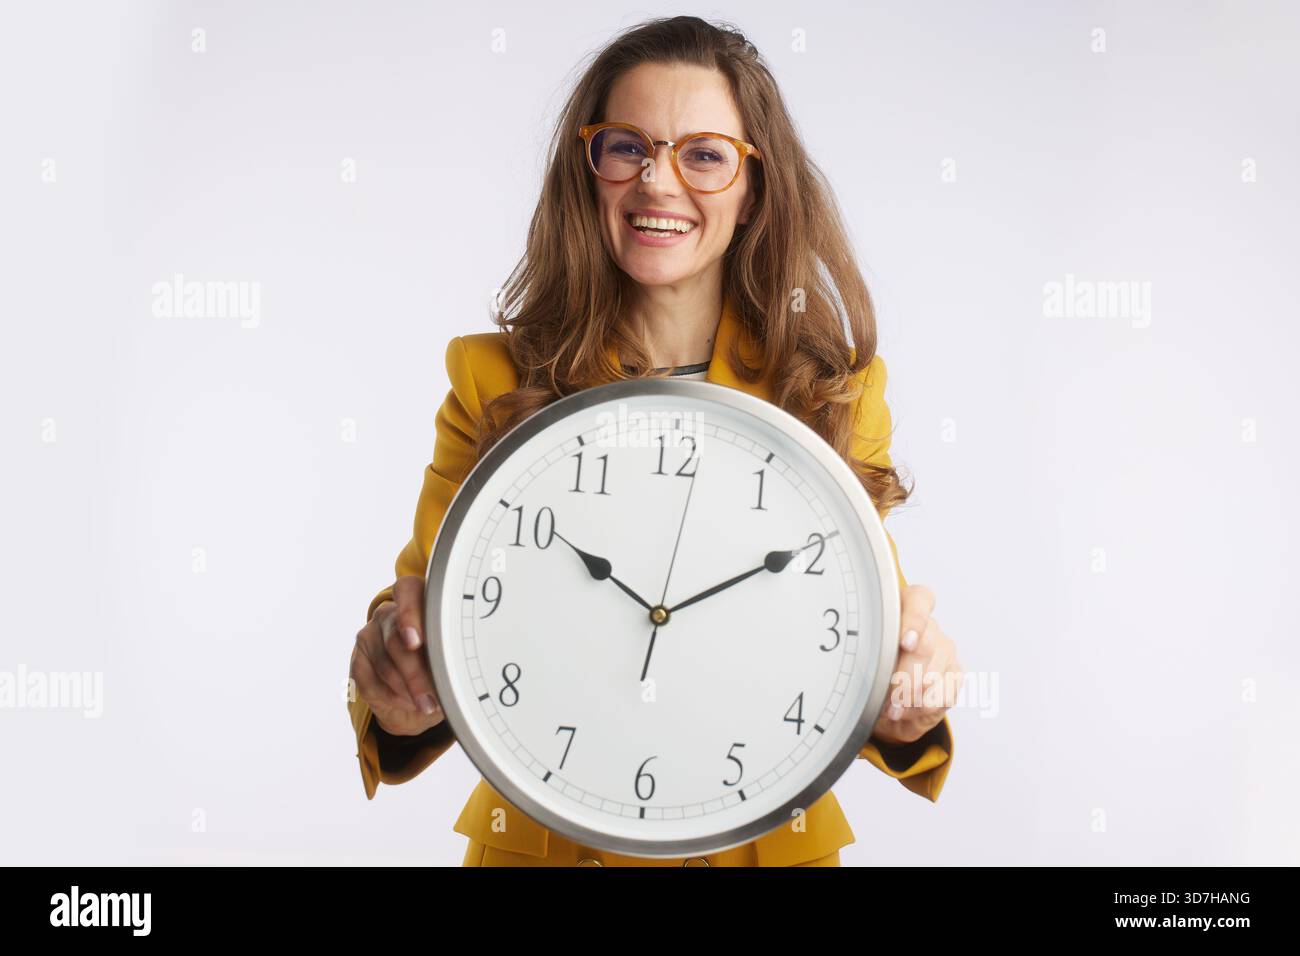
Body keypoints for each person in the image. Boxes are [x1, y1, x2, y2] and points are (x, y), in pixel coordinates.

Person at [347, 15, 962, 867]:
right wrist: (396, 682)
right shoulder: (492, 380)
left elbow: (853, 645)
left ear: (754, 187)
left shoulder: (833, 390)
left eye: (703, 154)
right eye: (627, 147)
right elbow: (429, 612)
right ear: (588, 169)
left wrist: (909, 702)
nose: (658, 182)